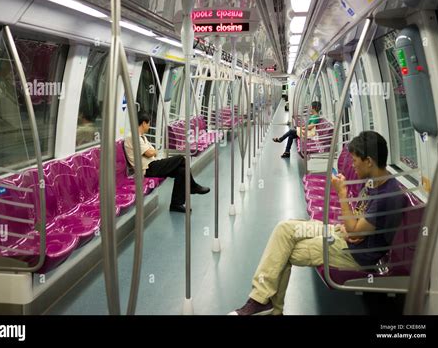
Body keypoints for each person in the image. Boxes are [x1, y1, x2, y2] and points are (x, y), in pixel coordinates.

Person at [229, 131, 406, 315]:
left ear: (369, 161)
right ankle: (263, 301)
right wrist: (350, 229)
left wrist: (343, 195)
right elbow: (357, 223)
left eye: (355, 161)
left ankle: (266, 304)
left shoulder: (387, 196)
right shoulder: (373, 182)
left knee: (284, 252)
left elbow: (355, 232)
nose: (353, 165)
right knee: (284, 230)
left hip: (354, 255)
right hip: (342, 233)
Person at [125, 111, 210, 213]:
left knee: (182, 171)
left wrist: (153, 152)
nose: (149, 126)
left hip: (152, 165)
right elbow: (149, 153)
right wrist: (152, 152)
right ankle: (193, 186)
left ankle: (176, 204)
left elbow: (153, 152)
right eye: (148, 124)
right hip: (147, 169)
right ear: (143, 123)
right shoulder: (133, 137)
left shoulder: (141, 137)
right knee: (180, 159)